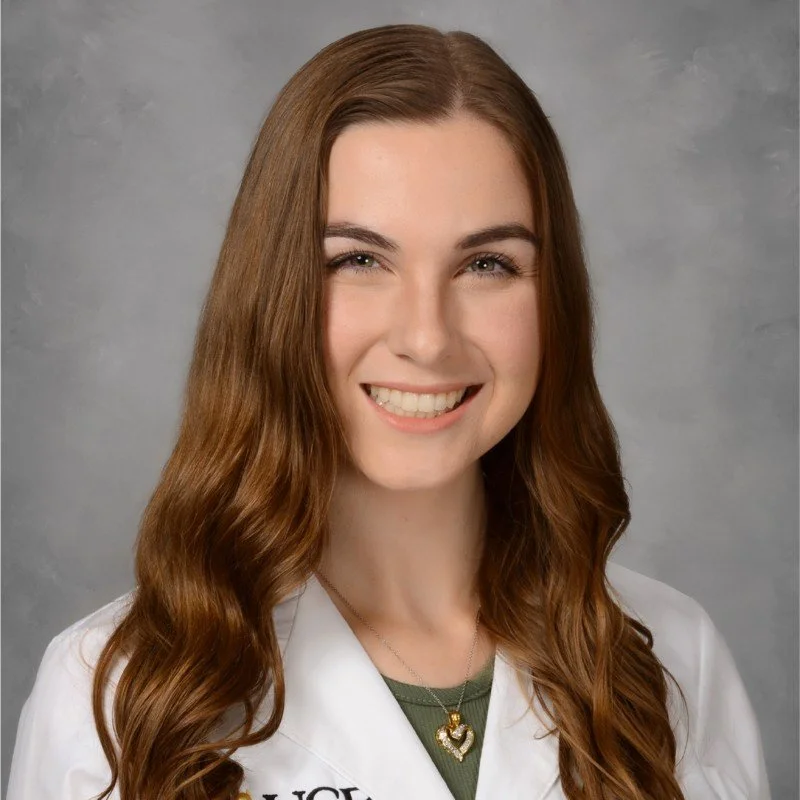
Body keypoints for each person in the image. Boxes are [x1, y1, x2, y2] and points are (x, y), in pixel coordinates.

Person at [8, 23, 770, 800]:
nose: (426, 338)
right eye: (359, 261)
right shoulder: (112, 695)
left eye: (486, 264)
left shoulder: (673, 663)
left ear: (556, 300)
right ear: (272, 295)